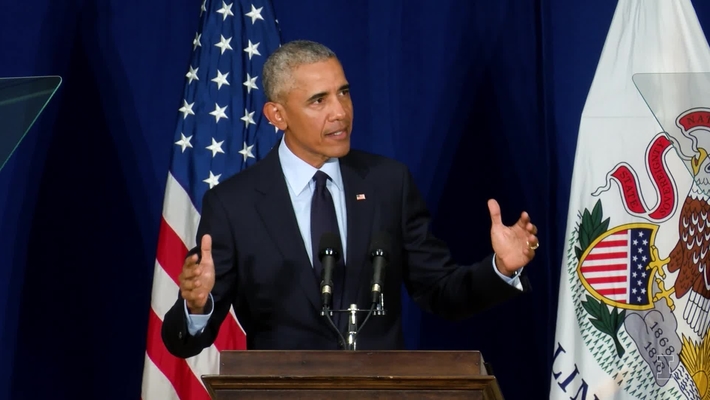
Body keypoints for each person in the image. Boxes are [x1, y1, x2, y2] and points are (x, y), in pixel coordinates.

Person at [161, 40, 538, 356]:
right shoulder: (233, 204)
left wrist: (500, 269)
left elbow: (439, 291)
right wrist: (196, 307)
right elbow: (186, 343)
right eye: (318, 101)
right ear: (277, 115)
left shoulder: (389, 183)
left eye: (343, 93)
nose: (340, 113)